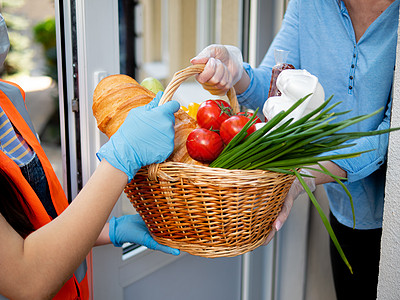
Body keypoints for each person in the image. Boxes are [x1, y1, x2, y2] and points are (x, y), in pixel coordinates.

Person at [190, 0, 399, 299]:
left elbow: (389, 138)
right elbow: (276, 89)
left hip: (392, 219)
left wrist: (305, 177)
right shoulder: (310, 4)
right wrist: (238, 74)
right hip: (345, 214)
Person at [0, 13, 180, 300]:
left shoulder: (8, 99)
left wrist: (109, 231)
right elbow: (26, 281)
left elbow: (29, 229)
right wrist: (123, 155)